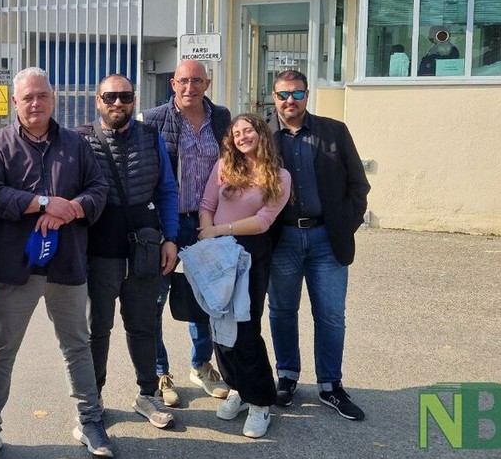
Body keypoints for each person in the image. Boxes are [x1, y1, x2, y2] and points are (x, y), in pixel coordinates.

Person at [0, 67, 111, 459]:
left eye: (42, 96)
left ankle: (90, 420)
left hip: (67, 265)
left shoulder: (76, 144)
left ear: (53, 99)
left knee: (77, 346)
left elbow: (98, 189)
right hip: (16, 268)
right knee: (1, 351)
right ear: (15, 102)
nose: (35, 103)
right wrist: (44, 203)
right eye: (28, 97)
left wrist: (72, 210)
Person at [267, 70, 371, 421]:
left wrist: (345, 226)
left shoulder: (334, 131)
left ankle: (330, 385)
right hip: (281, 239)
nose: (290, 101)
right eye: (283, 94)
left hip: (327, 239)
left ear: (307, 95)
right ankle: (287, 377)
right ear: (273, 96)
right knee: (282, 311)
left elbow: (358, 185)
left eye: (297, 94)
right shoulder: (262, 135)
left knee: (330, 314)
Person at [77, 74, 179, 429]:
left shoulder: (151, 137)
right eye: (110, 97)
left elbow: (167, 190)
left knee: (143, 326)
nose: (118, 103)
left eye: (125, 96)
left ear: (134, 100)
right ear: (98, 100)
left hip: (145, 249)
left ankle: (147, 394)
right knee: (96, 329)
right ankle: (93, 398)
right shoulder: (82, 140)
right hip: (98, 251)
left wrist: (171, 238)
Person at [139, 59, 230, 406]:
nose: (190, 87)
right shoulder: (152, 120)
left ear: (207, 84)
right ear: (173, 84)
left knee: (205, 299)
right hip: (167, 224)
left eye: (197, 81)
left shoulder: (221, 118)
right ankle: (159, 372)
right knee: (154, 300)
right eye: (183, 81)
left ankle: (201, 364)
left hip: (207, 223)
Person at [197, 113, 292, 438]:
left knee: (246, 328)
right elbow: (207, 204)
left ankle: (261, 401)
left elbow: (263, 221)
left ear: (261, 134)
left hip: (250, 255)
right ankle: (238, 387)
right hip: (217, 253)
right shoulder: (225, 165)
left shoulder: (279, 176)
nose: (241, 136)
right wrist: (208, 236)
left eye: (248, 130)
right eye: (236, 133)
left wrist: (218, 231)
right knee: (219, 327)